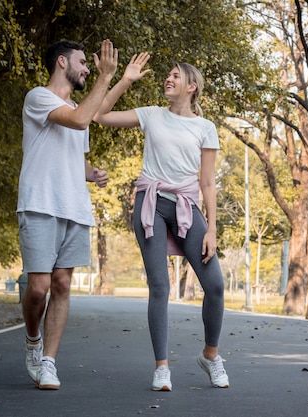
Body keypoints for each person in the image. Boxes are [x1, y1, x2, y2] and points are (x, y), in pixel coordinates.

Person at [94, 54, 230, 391]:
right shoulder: (151, 115)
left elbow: (208, 183)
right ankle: (162, 367)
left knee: (215, 285)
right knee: (160, 287)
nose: (167, 79)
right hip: (151, 203)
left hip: (186, 205)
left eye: (174, 76)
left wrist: (211, 229)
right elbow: (99, 115)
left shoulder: (205, 128)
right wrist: (125, 79)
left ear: (191, 86)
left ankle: (211, 355)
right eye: (167, 75)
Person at [17, 39, 118, 390]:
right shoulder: (39, 97)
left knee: (61, 285)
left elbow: (74, 150)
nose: (87, 69)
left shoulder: (79, 107)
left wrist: (90, 172)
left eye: (90, 66)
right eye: (82, 62)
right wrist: (105, 77)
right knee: (38, 289)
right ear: (62, 62)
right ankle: (33, 341)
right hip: (40, 204)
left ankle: (49, 362)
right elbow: (77, 120)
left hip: (74, 207)